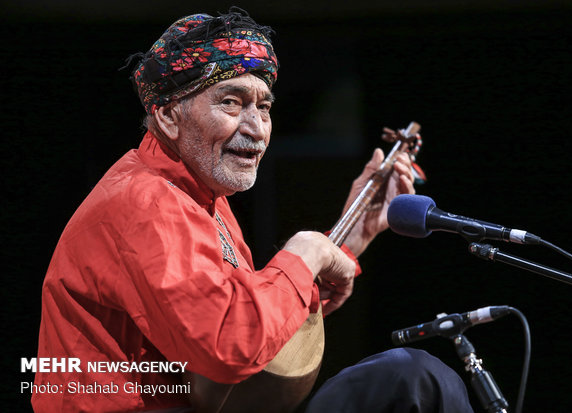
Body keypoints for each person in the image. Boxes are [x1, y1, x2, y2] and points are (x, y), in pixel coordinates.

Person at [33, 9, 474, 413]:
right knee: (413, 378)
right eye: (231, 102)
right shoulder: (147, 202)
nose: (256, 128)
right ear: (168, 116)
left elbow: (245, 330)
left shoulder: (201, 198)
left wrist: (350, 236)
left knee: (411, 377)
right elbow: (230, 347)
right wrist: (306, 251)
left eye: (263, 107)